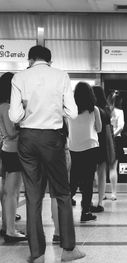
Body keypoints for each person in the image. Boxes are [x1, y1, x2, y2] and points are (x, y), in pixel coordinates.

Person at [9, 45, 85, 262]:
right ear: (50, 61)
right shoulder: (61, 76)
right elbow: (72, 112)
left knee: (33, 197)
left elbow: (14, 116)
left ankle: (37, 253)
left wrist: (28, 109)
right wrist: (53, 107)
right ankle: (68, 250)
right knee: (61, 193)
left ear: (30, 60)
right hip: (52, 139)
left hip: (27, 139)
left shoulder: (20, 77)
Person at [68, 82, 102, 222]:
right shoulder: (94, 110)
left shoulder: (70, 110)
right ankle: (85, 212)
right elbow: (99, 129)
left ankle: (65, 207)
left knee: (74, 178)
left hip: (74, 147)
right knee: (88, 181)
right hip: (90, 147)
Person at [0, 72, 27, 243]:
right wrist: (23, 124)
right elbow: (11, 132)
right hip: (14, 151)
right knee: (12, 192)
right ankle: (11, 230)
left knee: (7, 191)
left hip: (6, 150)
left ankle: (6, 226)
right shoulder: (6, 107)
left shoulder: (2, 105)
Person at [91, 85, 111, 212]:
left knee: (90, 173)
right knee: (102, 173)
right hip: (102, 144)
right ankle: (100, 202)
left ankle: (89, 200)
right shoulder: (105, 111)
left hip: (91, 144)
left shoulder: (91, 110)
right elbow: (108, 132)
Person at [107, 90, 124, 201]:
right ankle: (113, 193)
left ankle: (102, 193)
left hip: (103, 139)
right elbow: (121, 126)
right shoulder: (119, 112)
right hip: (115, 140)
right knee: (113, 168)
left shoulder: (103, 110)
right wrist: (113, 135)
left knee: (101, 168)